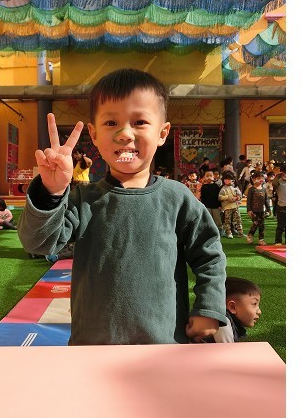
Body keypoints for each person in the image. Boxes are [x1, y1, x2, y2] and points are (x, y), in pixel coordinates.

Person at [18, 68, 227, 345]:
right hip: (93, 344)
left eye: (140, 122)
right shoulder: (83, 199)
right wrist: (52, 191)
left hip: (163, 342)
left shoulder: (177, 198)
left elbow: (210, 255)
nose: (125, 134)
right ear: (93, 134)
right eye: (111, 122)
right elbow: (38, 243)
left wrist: (209, 308)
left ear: (163, 132)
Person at [205, 277, 262, 343]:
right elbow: (227, 348)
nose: (259, 312)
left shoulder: (231, 324)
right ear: (232, 307)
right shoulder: (222, 322)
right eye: (254, 304)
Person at [245, 171, 271, 246]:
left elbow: (266, 200)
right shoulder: (251, 189)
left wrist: (269, 209)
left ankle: (261, 239)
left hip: (262, 210)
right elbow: (248, 201)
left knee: (262, 225)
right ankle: (250, 235)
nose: (260, 180)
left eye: (262, 178)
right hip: (254, 211)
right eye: (258, 178)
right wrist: (249, 210)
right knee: (256, 223)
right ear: (253, 179)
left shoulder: (264, 189)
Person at [218, 171, 244, 238]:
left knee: (238, 219)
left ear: (233, 180)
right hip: (227, 207)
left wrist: (237, 198)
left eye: (229, 179)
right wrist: (227, 197)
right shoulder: (223, 188)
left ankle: (240, 232)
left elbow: (240, 195)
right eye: (225, 179)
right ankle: (228, 232)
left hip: (235, 206)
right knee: (227, 220)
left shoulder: (235, 188)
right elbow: (220, 197)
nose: (227, 181)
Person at [199, 170, 224, 236]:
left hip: (215, 206)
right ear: (204, 177)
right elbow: (202, 197)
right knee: (208, 218)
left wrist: (219, 205)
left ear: (213, 177)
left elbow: (218, 196)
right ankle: (208, 230)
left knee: (217, 219)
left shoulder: (216, 186)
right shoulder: (203, 187)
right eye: (207, 176)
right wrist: (203, 205)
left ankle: (220, 229)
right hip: (207, 206)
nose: (209, 177)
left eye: (210, 176)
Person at [273, 165, 286, 245]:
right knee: (281, 226)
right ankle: (278, 241)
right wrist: (279, 175)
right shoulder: (279, 182)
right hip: (281, 206)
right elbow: (274, 184)